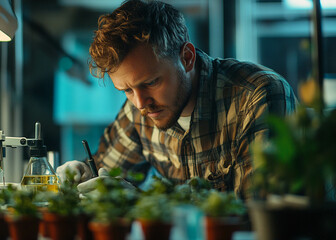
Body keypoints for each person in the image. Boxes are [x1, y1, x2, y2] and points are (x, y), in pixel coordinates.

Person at [56, 0, 297, 198]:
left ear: (187, 58)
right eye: (126, 91)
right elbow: (105, 172)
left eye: (151, 83)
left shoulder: (257, 96)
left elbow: (260, 212)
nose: (140, 103)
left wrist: (140, 204)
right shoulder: (139, 111)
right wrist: (84, 174)